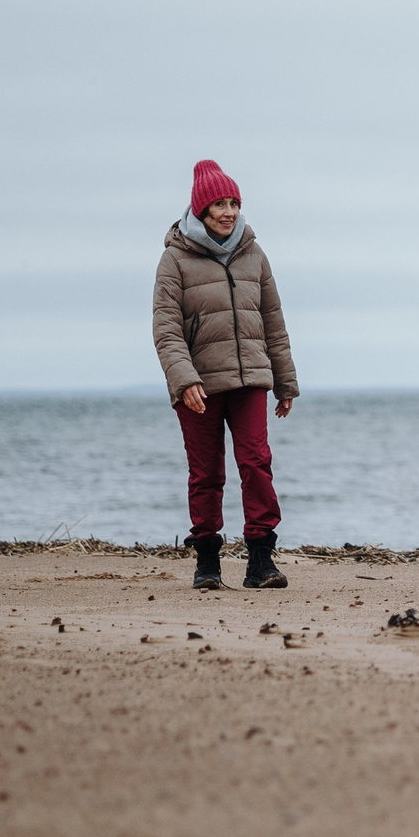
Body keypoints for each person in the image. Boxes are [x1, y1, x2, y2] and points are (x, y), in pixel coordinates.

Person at [153, 159, 298, 590]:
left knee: (256, 463)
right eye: (219, 203)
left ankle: (260, 562)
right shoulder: (174, 259)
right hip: (198, 385)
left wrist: (285, 381)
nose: (228, 211)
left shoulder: (254, 254)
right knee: (206, 473)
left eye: (234, 202)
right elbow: (166, 328)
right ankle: (208, 564)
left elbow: (273, 321)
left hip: (252, 377)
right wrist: (184, 379)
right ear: (201, 210)